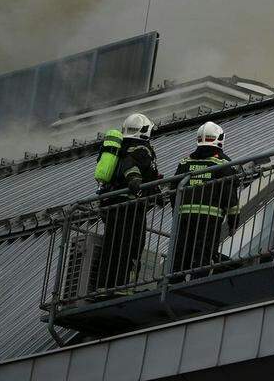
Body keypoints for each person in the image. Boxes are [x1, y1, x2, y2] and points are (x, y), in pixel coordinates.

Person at [96, 113, 162, 293]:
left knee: (112, 246)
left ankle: (104, 286)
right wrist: (136, 180)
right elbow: (131, 167)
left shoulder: (120, 148)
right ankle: (123, 287)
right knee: (131, 244)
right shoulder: (141, 149)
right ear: (144, 131)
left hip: (111, 204)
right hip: (131, 207)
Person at [170, 122, 240, 278]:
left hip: (185, 217)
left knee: (181, 252)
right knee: (203, 253)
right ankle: (197, 283)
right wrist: (233, 222)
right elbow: (230, 196)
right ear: (219, 139)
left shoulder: (185, 163)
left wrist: (177, 212)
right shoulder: (223, 164)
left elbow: (173, 189)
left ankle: (173, 282)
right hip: (210, 217)